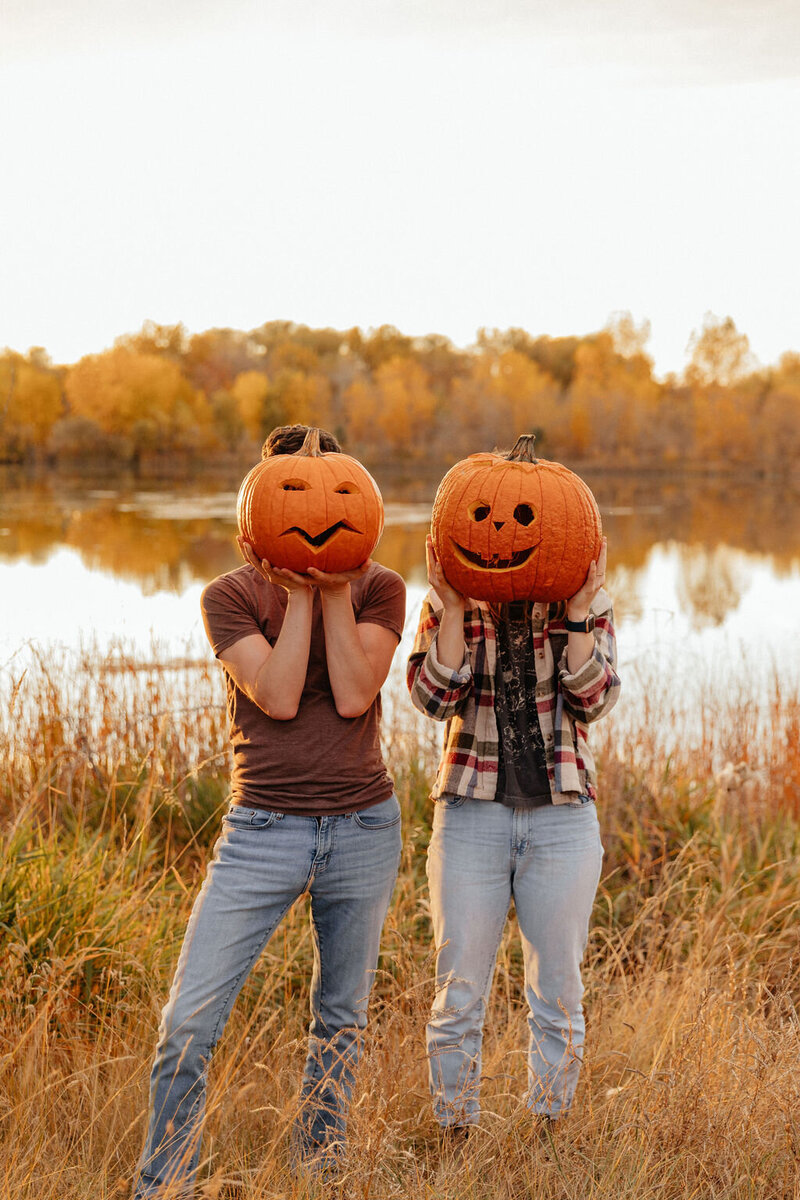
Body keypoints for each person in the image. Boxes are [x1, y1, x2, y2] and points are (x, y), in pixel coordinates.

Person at [133, 425, 406, 1197]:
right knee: (188, 1023)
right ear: (259, 503)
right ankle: (164, 1183)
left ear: (361, 495)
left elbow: (355, 693)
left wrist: (334, 591)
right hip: (261, 832)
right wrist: (296, 593)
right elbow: (279, 697)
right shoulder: (228, 595)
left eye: (336, 490)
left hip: (362, 826)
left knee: (340, 1017)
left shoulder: (382, 588)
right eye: (291, 490)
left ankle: (320, 1165)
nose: (317, 506)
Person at [407, 487, 620, 1136]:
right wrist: (446, 609)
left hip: (561, 818)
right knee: (459, 992)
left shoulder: (587, 603)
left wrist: (580, 614)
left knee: (557, 991)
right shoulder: (455, 599)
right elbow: (430, 696)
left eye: (525, 517)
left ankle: (548, 1130)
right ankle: (455, 1134)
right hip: (472, 814)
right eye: (489, 515)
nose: (502, 530)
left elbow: (595, 700)